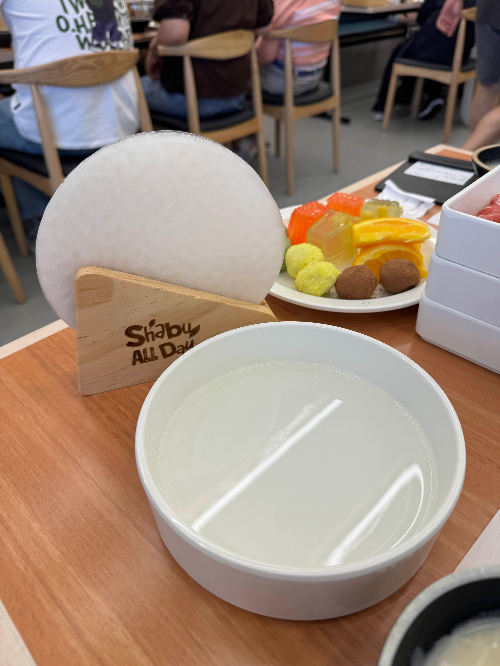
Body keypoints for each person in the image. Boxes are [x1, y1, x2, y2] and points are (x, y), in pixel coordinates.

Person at [0, 0, 139, 249]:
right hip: (124, 125)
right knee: (23, 106)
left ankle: (43, 223)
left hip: (60, 135)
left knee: (22, 112)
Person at [143, 0, 274, 119]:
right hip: (238, 97)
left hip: (189, 99)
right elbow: (264, 28)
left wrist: (153, 51)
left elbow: (175, 33)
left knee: (132, 91)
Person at [371, 0, 476, 120]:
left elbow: (422, 16)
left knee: (402, 52)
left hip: (433, 50)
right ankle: (432, 94)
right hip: (460, 56)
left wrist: (398, 18)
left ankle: (381, 106)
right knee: (428, 47)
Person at [437, 0, 500, 136]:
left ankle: (474, 148)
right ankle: (474, 147)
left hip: (489, 10)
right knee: (487, 86)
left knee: (487, 87)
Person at [255, 0, 341, 97]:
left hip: (284, 80)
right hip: (316, 76)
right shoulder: (334, 2)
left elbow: (266, 56)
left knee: (243, 78)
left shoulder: (283, 5)